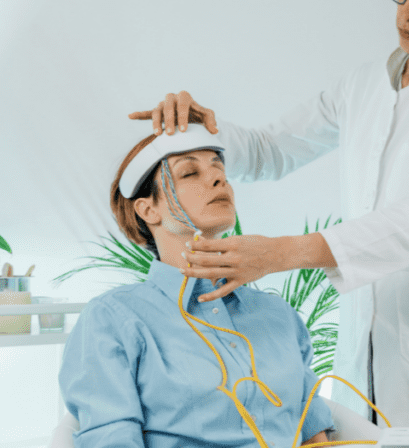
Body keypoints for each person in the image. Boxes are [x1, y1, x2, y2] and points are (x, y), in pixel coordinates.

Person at [128, 0, 409, 434]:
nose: (405, 12)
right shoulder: (364, 86)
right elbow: (271, 150)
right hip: (364, 357)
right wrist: (200, 127)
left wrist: (284, 253)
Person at [58, 125, 336, 447]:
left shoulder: (280, 316)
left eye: (220, 169)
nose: (219, 179)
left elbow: (315, 436)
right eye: (189, 173)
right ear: (148, 209)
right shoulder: (114, 318)